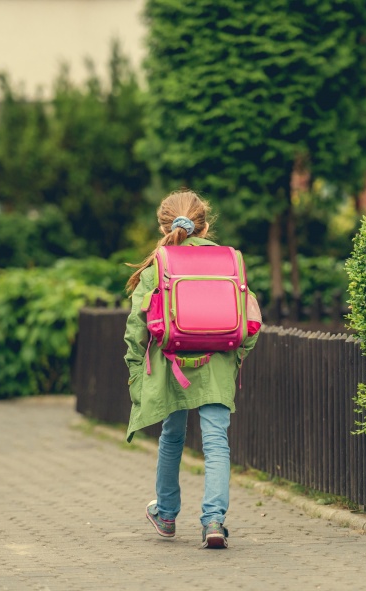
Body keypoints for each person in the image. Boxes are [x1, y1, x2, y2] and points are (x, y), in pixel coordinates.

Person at [123, 189, 260, 549]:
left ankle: (166, 514)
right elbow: (251, 318)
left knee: (172, 436)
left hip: (172, 363)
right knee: (217, 442)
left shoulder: (160, 265)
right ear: (205, 223)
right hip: (217, 360)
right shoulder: (228, 260)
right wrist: (237, 355)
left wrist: (138, 369)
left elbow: (136, 328)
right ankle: (214, 521)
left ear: (164, 224)